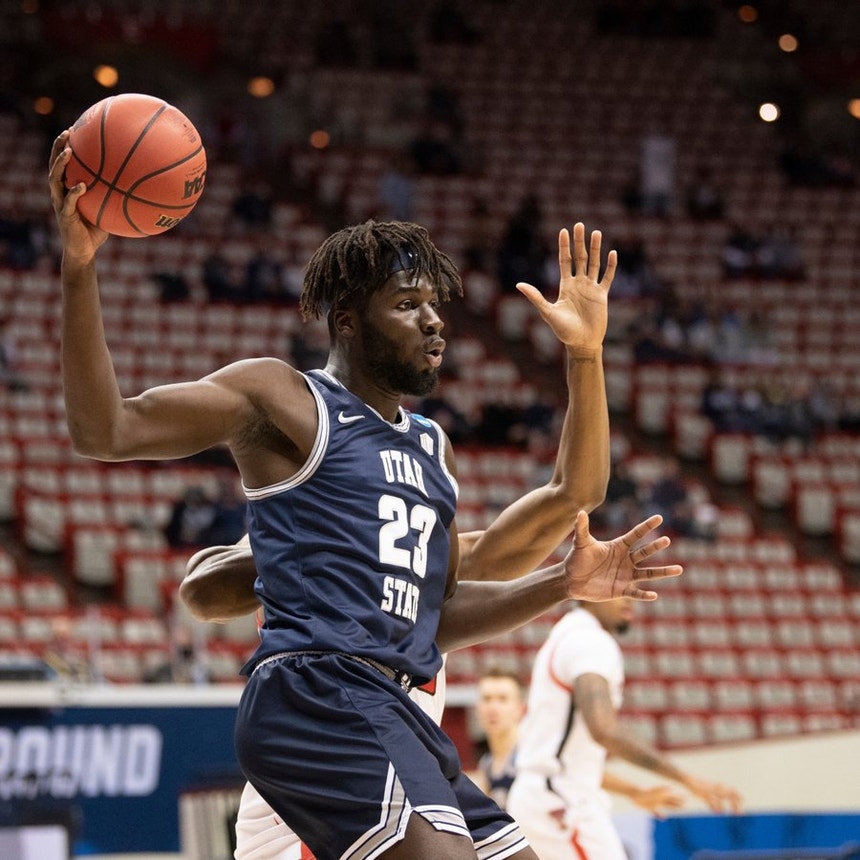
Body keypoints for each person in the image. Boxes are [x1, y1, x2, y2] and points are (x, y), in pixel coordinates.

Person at [50, 128, 682, 860]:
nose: (435, 319)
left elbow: (556, 509)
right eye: (409, 303)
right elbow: (108, 430)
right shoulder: (282, 398)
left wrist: (584, 358)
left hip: (395, 708)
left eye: (436, 303)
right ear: (347, 320)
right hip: (318, 695)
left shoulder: (429, 448)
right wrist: (79, 269)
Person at [507, 598, 742, 859]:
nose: (632, 597)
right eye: (621, 587)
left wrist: (634, 791)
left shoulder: (566, 635)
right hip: (559, 801)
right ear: (589, 590)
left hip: (544, 795)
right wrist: (687, 778)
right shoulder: (589, 641)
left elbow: (568, 760)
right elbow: (604, 729)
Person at [472, 669, 526, 811]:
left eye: (503, 699)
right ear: (477, 708)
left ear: (520, 708)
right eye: (487, 699)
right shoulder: (486, 764)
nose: (493, 708)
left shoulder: (530, 757)